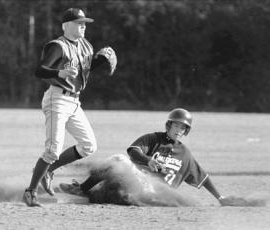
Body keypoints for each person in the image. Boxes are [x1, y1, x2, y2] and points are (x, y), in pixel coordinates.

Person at [23, 8, 117, 207]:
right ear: (66, 25)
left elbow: (85, 68)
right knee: (53, 149)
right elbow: (39, 70)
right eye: (79, 22)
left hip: (74, 101)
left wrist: (101, 61)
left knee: (89, 145)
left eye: (84, 23)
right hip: (56, 99)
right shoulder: (58, 46)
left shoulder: (86, 46)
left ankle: (49, 170)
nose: (83, 26)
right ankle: (30, 191)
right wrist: (59, 73)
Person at [59, 108, 230, 206]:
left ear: (186, 132)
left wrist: (220, 198)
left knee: (117, 160)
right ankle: (85, 192)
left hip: (156, 194)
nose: (179, 130)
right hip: (137, 186)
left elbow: (204, 178)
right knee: (109, 185)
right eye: (176, 125)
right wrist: (148, 160)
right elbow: (133, 151)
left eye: (183, 128)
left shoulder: (185, 154)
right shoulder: (153, 139)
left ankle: (81, 189)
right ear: (169, 125)